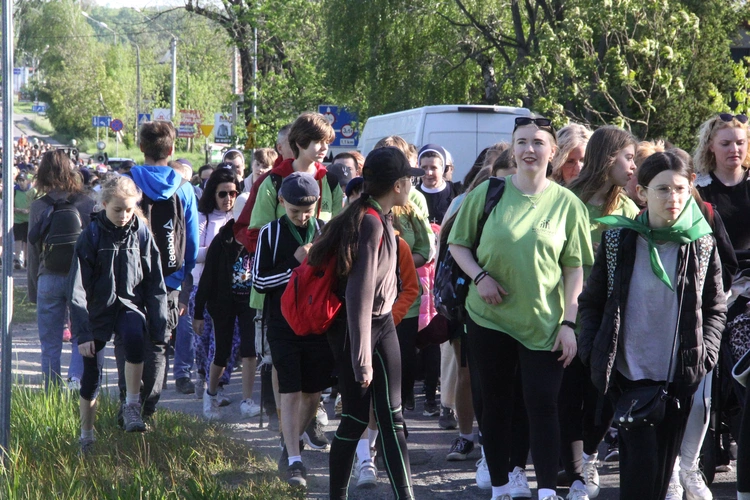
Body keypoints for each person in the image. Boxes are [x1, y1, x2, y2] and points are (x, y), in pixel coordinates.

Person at [448, 116, 593, 500]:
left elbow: (574, 268)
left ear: (553, 152)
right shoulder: (487, 193)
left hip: (545, 323)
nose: (530, 149)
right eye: (522, 142)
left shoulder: (568, 204)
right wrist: (481, 278)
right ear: (512, 150)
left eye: (538, 142)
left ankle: (546, 491)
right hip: (488, 318)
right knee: (494, 406)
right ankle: (500, 487)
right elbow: (458, 246)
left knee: (542, 406)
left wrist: (568, 323)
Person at [578, 150, 726, 500]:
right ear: (641, 193)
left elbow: (714, 306)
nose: (672, 198)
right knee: (639, 472)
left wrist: (706, 355)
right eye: (662, 189)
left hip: (678, 377)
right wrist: (591, 351)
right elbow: (593, 301)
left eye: (679, 188)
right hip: (630, 377)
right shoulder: (619, 240)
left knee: (662, 476)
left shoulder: (700, 243)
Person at [309, 147, 422, 500]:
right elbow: (358, 293)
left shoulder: (382, 217)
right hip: (355, 330)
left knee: (392, 416)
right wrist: (361, 359)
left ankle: (407, 496)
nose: (411, 187)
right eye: (409, 180)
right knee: (356, 419)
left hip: (383, 323)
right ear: (399, 184)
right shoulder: (369, 223)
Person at [559, 125, 638, 499]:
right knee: (569, 393)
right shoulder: (568, 197)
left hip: (611, 318)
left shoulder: (629, 207)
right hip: (569, 312)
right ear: (608, 158)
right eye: (628, 157)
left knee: (603, 394)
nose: (634, 165)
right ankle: (573, 469)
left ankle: (589, 457)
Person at [69, 176, 168, 452]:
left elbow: (155, 283)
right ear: (103, 205)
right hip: (96, 312)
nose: (124, 215)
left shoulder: (141, 233)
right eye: (117, 210)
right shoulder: (90, 235)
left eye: (129, 209)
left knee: (136, 338)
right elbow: (76, 287)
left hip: (129, 305)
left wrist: (160, 324)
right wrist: (83, 332)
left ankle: (132, 406)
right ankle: (86, 435)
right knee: (91, 377)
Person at [252, 172, 335, 488]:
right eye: (294, 211)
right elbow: (259, 281)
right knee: (289, 389)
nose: (301, 218)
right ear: (282, 203)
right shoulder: (270, 233)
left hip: (317, 324)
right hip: (282, 324)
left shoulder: (324, 231)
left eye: (308, 211)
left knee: (313, 391)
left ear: (317, 205)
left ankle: (290, 444)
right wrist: (296, 268)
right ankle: (295, 460)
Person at [127, 120, 199, 418]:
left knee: (129, 341)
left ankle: (127, 402)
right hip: (168, 280)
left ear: (141, 147)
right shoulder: (184, 189)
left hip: (130, 279)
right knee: (158, 344)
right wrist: (181, 281)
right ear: (171, 150)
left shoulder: (128, 182)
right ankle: (148, 409)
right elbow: (191, 243)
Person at [27, 149, 95, 390]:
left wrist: (33, 288)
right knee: (82, 335)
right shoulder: (88, 203)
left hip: (49, 277)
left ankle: (51, 394)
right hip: (81, 280)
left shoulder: (38, 206)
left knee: (50, 343)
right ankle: (76, 383)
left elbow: (33, 251)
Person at [193, 183, 259, 421]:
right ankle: (210, 395)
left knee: (250, 350)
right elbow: (207, 277)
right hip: (223, 302)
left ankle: (247, 399)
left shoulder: (260, 238)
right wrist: (198, 312)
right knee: (222, 352)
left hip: (249, 302)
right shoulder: (222, 241)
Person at [185, 167, 246, 410]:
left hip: (232, 292)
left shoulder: (239, 218)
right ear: (213, 194)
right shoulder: (202, 218)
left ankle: (218, 387)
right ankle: (202, 377)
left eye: (232, 193)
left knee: (227, 344)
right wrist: (217, 250)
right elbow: (192, 254)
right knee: (203, 341)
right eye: (223, 194)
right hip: (203, 287)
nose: (228, 199)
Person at [13, 171, 35, 269]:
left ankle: (26, 260)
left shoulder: (32, 191)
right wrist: (18, 210)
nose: (20, 183)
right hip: (18, 219)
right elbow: (10, 205)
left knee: (27, 241)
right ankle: (17, 259)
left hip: (28, 219)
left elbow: (36, 205)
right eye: (19, 180)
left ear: (27, 181)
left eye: (22, 180)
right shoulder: (14, 191)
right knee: (18, 239)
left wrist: (29, 210)